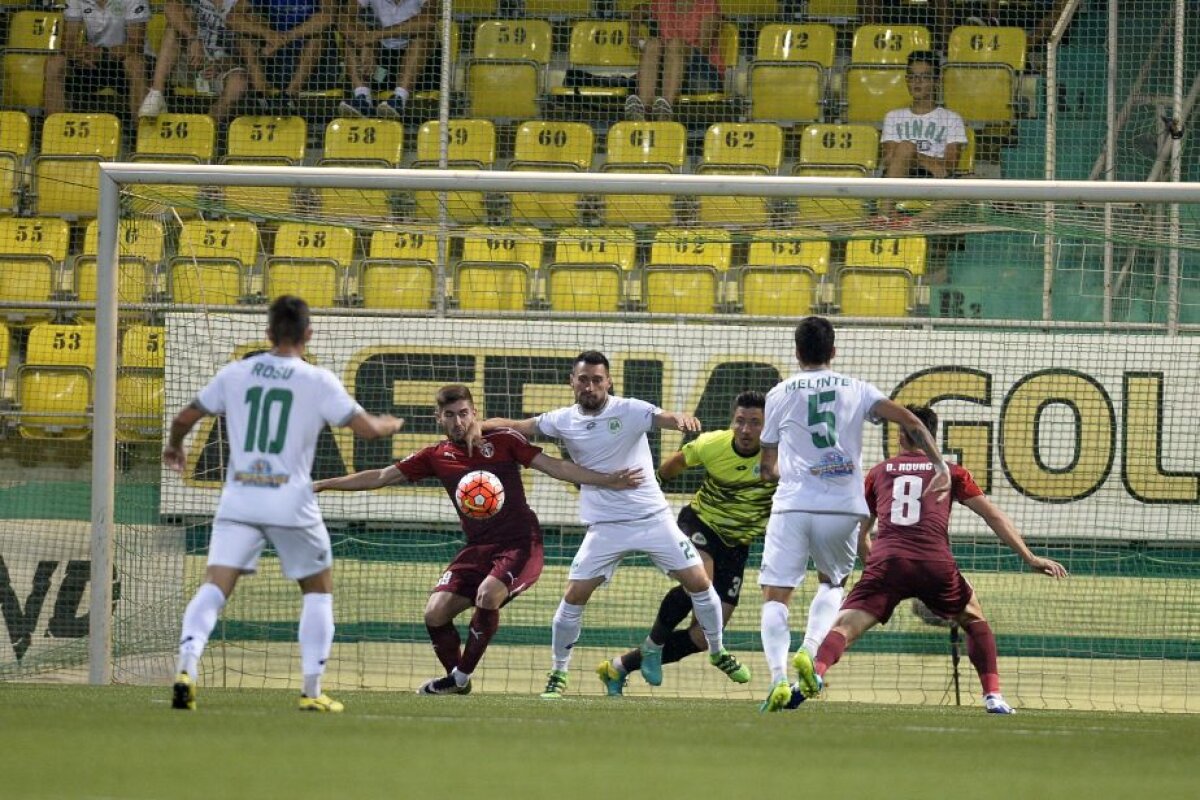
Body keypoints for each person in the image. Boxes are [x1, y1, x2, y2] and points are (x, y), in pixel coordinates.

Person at [313, 384, 644, 695]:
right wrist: (324, 484)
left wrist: (607, 480)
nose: (458, 421)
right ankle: (459, 678)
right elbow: (381, 477)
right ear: (438, 418)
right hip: (477, 549)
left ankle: (458, 678)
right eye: (450, 415)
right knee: (435, 613)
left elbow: (556, 467)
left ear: (474, 413)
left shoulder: (503, 442)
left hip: (520, 545)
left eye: (463, 413)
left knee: (488, 596)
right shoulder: (435, 455)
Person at [163, 295, 405, 712]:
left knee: (215, 587)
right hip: (291, 501)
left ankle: (187, 665)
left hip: (239, 498)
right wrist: (386, 424)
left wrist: (174, 447)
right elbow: (365, 430)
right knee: (318, 590)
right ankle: (311, 692)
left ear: (268, 333)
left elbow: (185, 417)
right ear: (308, 334)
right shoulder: (316, 380)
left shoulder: (235, 374)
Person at [476, 351, 752, 698]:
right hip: (605, 525)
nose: (590, 386)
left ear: (609, 382)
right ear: (572, 382)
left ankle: (717, 651)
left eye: (597, 379)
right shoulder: (561, 420)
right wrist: (474, 427)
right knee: (574, 595)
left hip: (653, 517)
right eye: (583, 379)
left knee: (699, 582)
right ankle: (558, 674)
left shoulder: (629, 409)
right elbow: (517, 427)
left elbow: (662, 417)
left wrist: (680, 419)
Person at [794, 404, 1069, 713]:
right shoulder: (951, 472)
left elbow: (860, 533)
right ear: (932, 438)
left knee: (844, 626)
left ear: (900, 435)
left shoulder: (880, 472)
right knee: (974, 618)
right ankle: (993, 696)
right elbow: (992, 516)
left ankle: (814, 674)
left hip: (888, 561)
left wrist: (878, 568)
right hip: (934, 563)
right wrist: (1029, 557)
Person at [757, 316, 951, 712]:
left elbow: (766, 466)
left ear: (797, 353)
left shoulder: (778, 393)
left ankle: (778, 677)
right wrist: (941, 465)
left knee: (776, 595)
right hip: (842, 507)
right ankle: (809, 653)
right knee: (832, 584)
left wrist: (792, 471)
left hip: (792, 504)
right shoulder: (857, 389)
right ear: (833, 352)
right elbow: (911, 421)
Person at [597, 390, 776, 695]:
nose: (746, 430)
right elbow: (673, 465)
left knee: (702, 637)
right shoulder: (712, 444)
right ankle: (654, 645)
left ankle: (619, 667)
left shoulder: (781, 457)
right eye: (740, 421)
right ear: (732, 421)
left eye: (756, 423)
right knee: (699, 580)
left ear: (768, 426)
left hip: (737, 544)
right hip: (699, 523)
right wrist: (650, 494)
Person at [878, 50, 969, 218]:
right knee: (905, 146)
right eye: (912, 77)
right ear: (907, 80)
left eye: (925, 77)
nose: (917, 82)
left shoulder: (952, 118)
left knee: (974, 183)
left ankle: (915, 223)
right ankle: (883, 216)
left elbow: (949, 166)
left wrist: (912, 156)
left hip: (934, 182)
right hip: (903, 178)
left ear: (936, 81)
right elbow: (891, 159)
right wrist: (925, 161)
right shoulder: (893, 116)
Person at [138, 0, 250, 124]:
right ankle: (156, 95)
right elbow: (170, 7)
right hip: (187, 62)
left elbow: (248, 52)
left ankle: (204, 129)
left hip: (222, 68)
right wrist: (194, 38)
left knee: (239, 82)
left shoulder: (240, 4)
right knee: (178, 22)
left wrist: (221, 65)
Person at [45, 0, 150, 119]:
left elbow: (136, 45)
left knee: (136, 64)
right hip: (93, 62)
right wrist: (80, 55)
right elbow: (68, 43)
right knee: (54, 64)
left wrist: (103, 54)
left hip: (125, 60)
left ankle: (142, 132)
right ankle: (55, 131)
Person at [625, 0, 725, 121]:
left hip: (701, 72)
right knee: (653, 44)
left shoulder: (707, 3)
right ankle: (643, 110)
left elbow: (704, 48)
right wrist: (634, 26)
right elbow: (640, 9)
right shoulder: (664, 2)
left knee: (675, 44)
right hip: (668, 73)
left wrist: (675, 48)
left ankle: (665, 110)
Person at [338, 0, 438, 119]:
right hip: (382, 74)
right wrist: (364, 42)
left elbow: (429, 20)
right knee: (351, 39)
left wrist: (375, 35)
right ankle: (362, 98)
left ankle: (399, 99)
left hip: (422, 76)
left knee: (424, 35)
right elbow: (343, 18)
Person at [233, 0, 337, 114]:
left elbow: (328, 17)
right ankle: (262, 93)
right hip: (274, 58)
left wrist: (285, 38)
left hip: (316, 67)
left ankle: (290, 96)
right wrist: (267, 34)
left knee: (321, 35)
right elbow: (232, 17)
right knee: (246, 27)